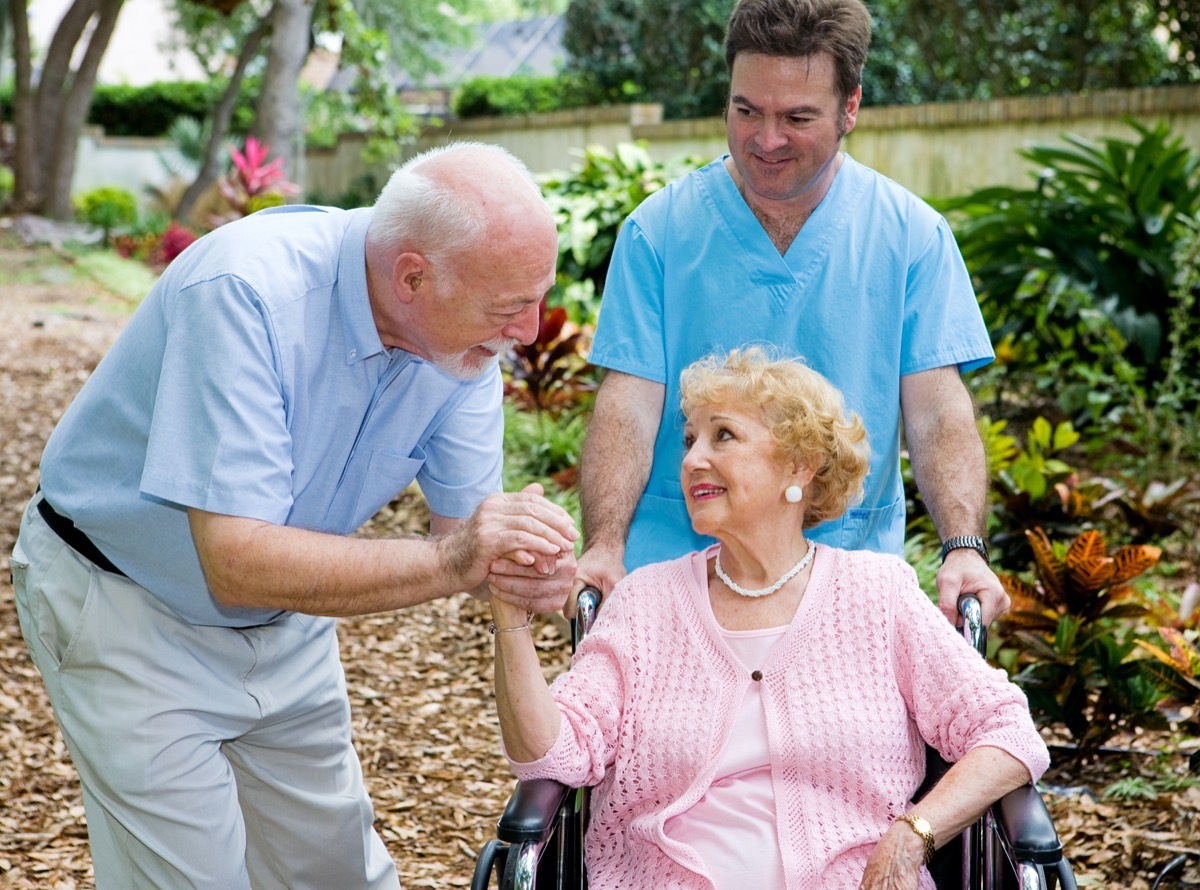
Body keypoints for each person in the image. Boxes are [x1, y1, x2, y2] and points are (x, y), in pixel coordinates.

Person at [9, 142, 579, 890]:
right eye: (510, 308)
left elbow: (464, 537)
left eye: (537, 299)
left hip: (287, 615)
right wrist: (460, 559)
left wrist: (523, 564)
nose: (531, 331)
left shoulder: (465, 346)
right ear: (412, 275)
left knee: (337, 875)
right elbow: (239, 562)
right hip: (124, 602)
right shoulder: (246, 289)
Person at [490, 347, 1049, 889]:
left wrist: (913, 834)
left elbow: (1006, 732)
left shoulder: (878, 596)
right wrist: (511, 620)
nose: (691, 460)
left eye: (723, 436)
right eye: (689, 441)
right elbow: (554, 751)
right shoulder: (645, 605)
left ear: (799, 466)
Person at [575, 0, 1008, 625]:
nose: (766, 140)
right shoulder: (660, 232)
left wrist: (964, 548)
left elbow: (938, 409)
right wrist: (605, 546)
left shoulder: (911, 235)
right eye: (746, 109)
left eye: (798, 117)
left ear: (850, 108)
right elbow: (629, 401)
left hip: (847, 583)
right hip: (676, 584)